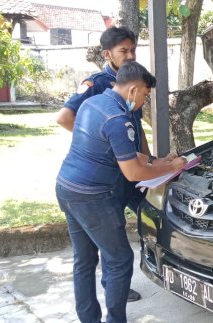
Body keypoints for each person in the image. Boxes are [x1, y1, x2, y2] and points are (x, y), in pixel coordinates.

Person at [56, 61, 186, 323]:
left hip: (67, 187)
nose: (142, 102)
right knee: (119, 260)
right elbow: (133, 172)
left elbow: (126, 153)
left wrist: (158, 161)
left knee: (84, 260)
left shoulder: (94, 104)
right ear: (134, 90)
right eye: (145, 96)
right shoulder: (119, 118)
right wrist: (172, 168)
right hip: (93, 197)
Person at [57, 26, 149, 302]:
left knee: (152, 211)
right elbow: (65, 117)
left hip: (131, 170)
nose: (131, 55)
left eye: (133, 49)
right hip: (105, 177)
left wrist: (150, 157)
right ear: (107, 54)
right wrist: (105, 146)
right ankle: (114, 286)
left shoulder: (134, 79)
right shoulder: (97, 83)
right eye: (124, 51)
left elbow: (137, 126)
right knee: (111, 236)